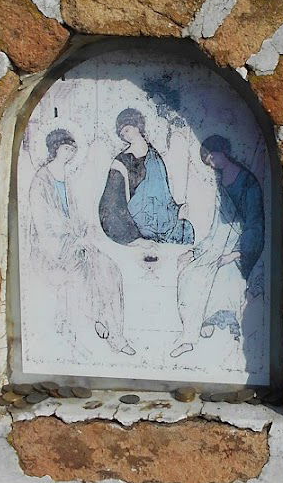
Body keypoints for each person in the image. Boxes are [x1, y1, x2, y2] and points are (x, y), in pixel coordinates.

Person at [25, 128, 133, 355]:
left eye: (72, 150)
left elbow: (76, 215)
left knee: (110, 269)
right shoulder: (41, 180)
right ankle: (96, 325)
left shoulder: (68, 178)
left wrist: (85, 229)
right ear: (55, 149)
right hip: (51, 249)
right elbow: (43, 220)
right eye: (66, 149)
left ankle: (113, 329)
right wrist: (71, 236)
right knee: (84, 272)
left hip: (76, 244)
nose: (70, 153)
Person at [173, 134, 265, 355]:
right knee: (189, 274)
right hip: (218, 243)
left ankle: (214, 320)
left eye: (212, 157)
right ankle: (188, 335)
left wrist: (235, 255)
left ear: (223, 151)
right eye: (208, 161)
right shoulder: (220, 183)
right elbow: (216, 227)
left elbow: (255, 224)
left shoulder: (248, 182)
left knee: (224, 276)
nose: (212, 163)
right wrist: (194, 252)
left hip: (243, 245)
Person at [98, 108, 195, 246]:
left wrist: (177, 210)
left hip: (161, 219)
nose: (125, 135)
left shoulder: (154, 156)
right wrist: (134, 238)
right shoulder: (121, 162)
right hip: (139, 222)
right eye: (122, 133)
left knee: (186, 230)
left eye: (127, 129)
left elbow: (164, 193)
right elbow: (111, 203)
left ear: (137, 125)